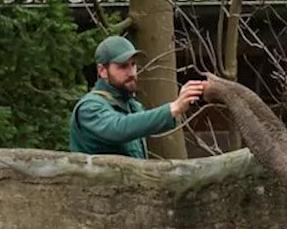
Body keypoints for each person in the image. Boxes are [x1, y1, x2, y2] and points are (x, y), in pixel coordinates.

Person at [69, 35, 208, 158]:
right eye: (123, 66)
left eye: (133, 65)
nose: (131, 72)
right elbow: (119, 128)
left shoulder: (131, 105)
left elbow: (139, 124)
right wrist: (174, 107)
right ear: (102, 71)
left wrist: (183, 103)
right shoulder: (89, 107)